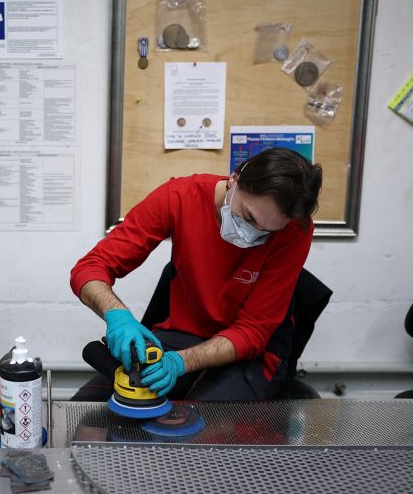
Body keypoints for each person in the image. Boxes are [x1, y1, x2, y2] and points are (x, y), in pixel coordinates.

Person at [70, 148, 323, 401]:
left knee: (201, 427)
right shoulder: (180, 197)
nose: (252, 235)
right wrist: (117, 315)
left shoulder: (295, 230)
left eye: (267, 232)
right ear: (234, 180)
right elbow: (91, 267)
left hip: (252, 355)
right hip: (182, 336)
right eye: (247, 216)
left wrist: (179, 363)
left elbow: (252, 332)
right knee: (94, 408)